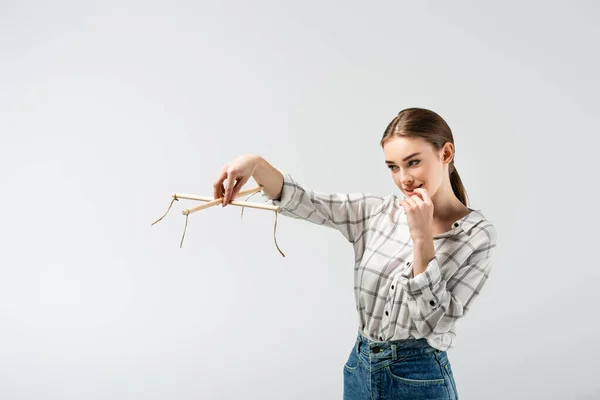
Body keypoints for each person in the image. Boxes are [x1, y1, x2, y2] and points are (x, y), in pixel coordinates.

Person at [213, 107, 497, 400]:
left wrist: (422, 237)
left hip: (419, 376)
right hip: (360, 367)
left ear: (446, 153)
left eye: (413, 163)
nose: (404, 178)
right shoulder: (376, 212)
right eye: (393, 167)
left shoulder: (476, 236)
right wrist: (255, 164)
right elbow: (306, 201)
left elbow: (433, 324)